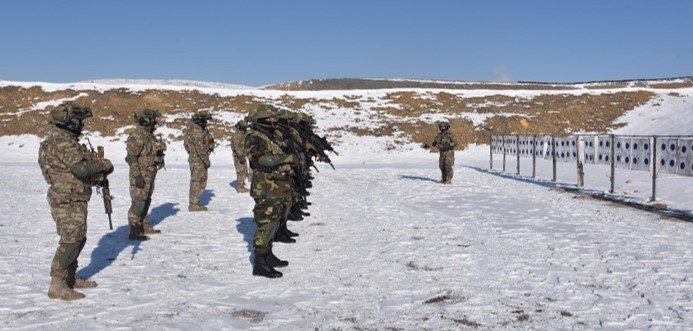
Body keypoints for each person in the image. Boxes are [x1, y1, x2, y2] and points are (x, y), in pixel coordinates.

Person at [38, 102, 114, 300]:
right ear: (69, 122)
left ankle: (70, 278)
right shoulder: (60, 142)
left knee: (79, 238)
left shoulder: (65, 141)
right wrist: (103, 165)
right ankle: (57, 285)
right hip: (66, 198)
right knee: (71, 240)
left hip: (74, 196)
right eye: (79, 121)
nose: (81, 125)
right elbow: (80, 169)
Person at [243, 104, 296, 278]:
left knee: (275, 221)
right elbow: (262, 159)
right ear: (262, 119)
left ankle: (268, 254)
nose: (275, 120)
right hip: (265, 187)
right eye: (271, 117)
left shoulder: (270, 136)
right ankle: (260, 263)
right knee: (266, 222)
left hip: (277, 185)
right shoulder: (253, 137)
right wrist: (287, 158)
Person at [125, 109, 165, 240]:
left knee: (146, 200)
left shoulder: (148, 135)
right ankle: (134, 230)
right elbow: (131, 157)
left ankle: (143, 226)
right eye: (153, 121)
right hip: (141, 174)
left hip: (149, 174)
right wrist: (137, 176)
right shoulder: (137, 135)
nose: (155, 123)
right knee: (139, 203)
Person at [183, 111, 215, 211]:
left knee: (201, 180)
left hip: (198, 159)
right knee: (197, 181)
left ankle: (195, 202)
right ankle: (193, 204)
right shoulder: (196, 131)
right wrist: (206, 161)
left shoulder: (200, 130)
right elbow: (200, 149)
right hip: (198, 160)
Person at [230, 119, 251, 193]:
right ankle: (240, 187)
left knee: (245, 170)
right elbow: (236, 147)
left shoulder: (243, 133)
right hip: (238, 156)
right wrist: (240, 156)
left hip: (242, 155)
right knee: (241, 171)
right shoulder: (237, 135)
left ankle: (241, 183)